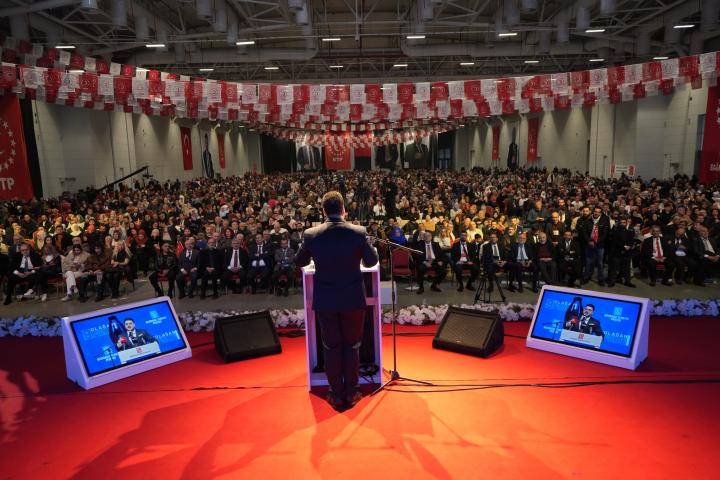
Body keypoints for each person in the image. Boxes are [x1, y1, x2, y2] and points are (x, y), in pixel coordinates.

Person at [295, 191, 379, 411]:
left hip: (326, 299)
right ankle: (352, 393)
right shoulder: (359, 232)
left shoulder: (311, 234)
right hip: (352, 298)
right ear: (344, 209)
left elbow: (300, 261)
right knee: (352, 345)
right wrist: (366, 244)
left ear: (323, 211)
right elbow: (371, 262)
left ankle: (336, 394)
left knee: (331, 347)